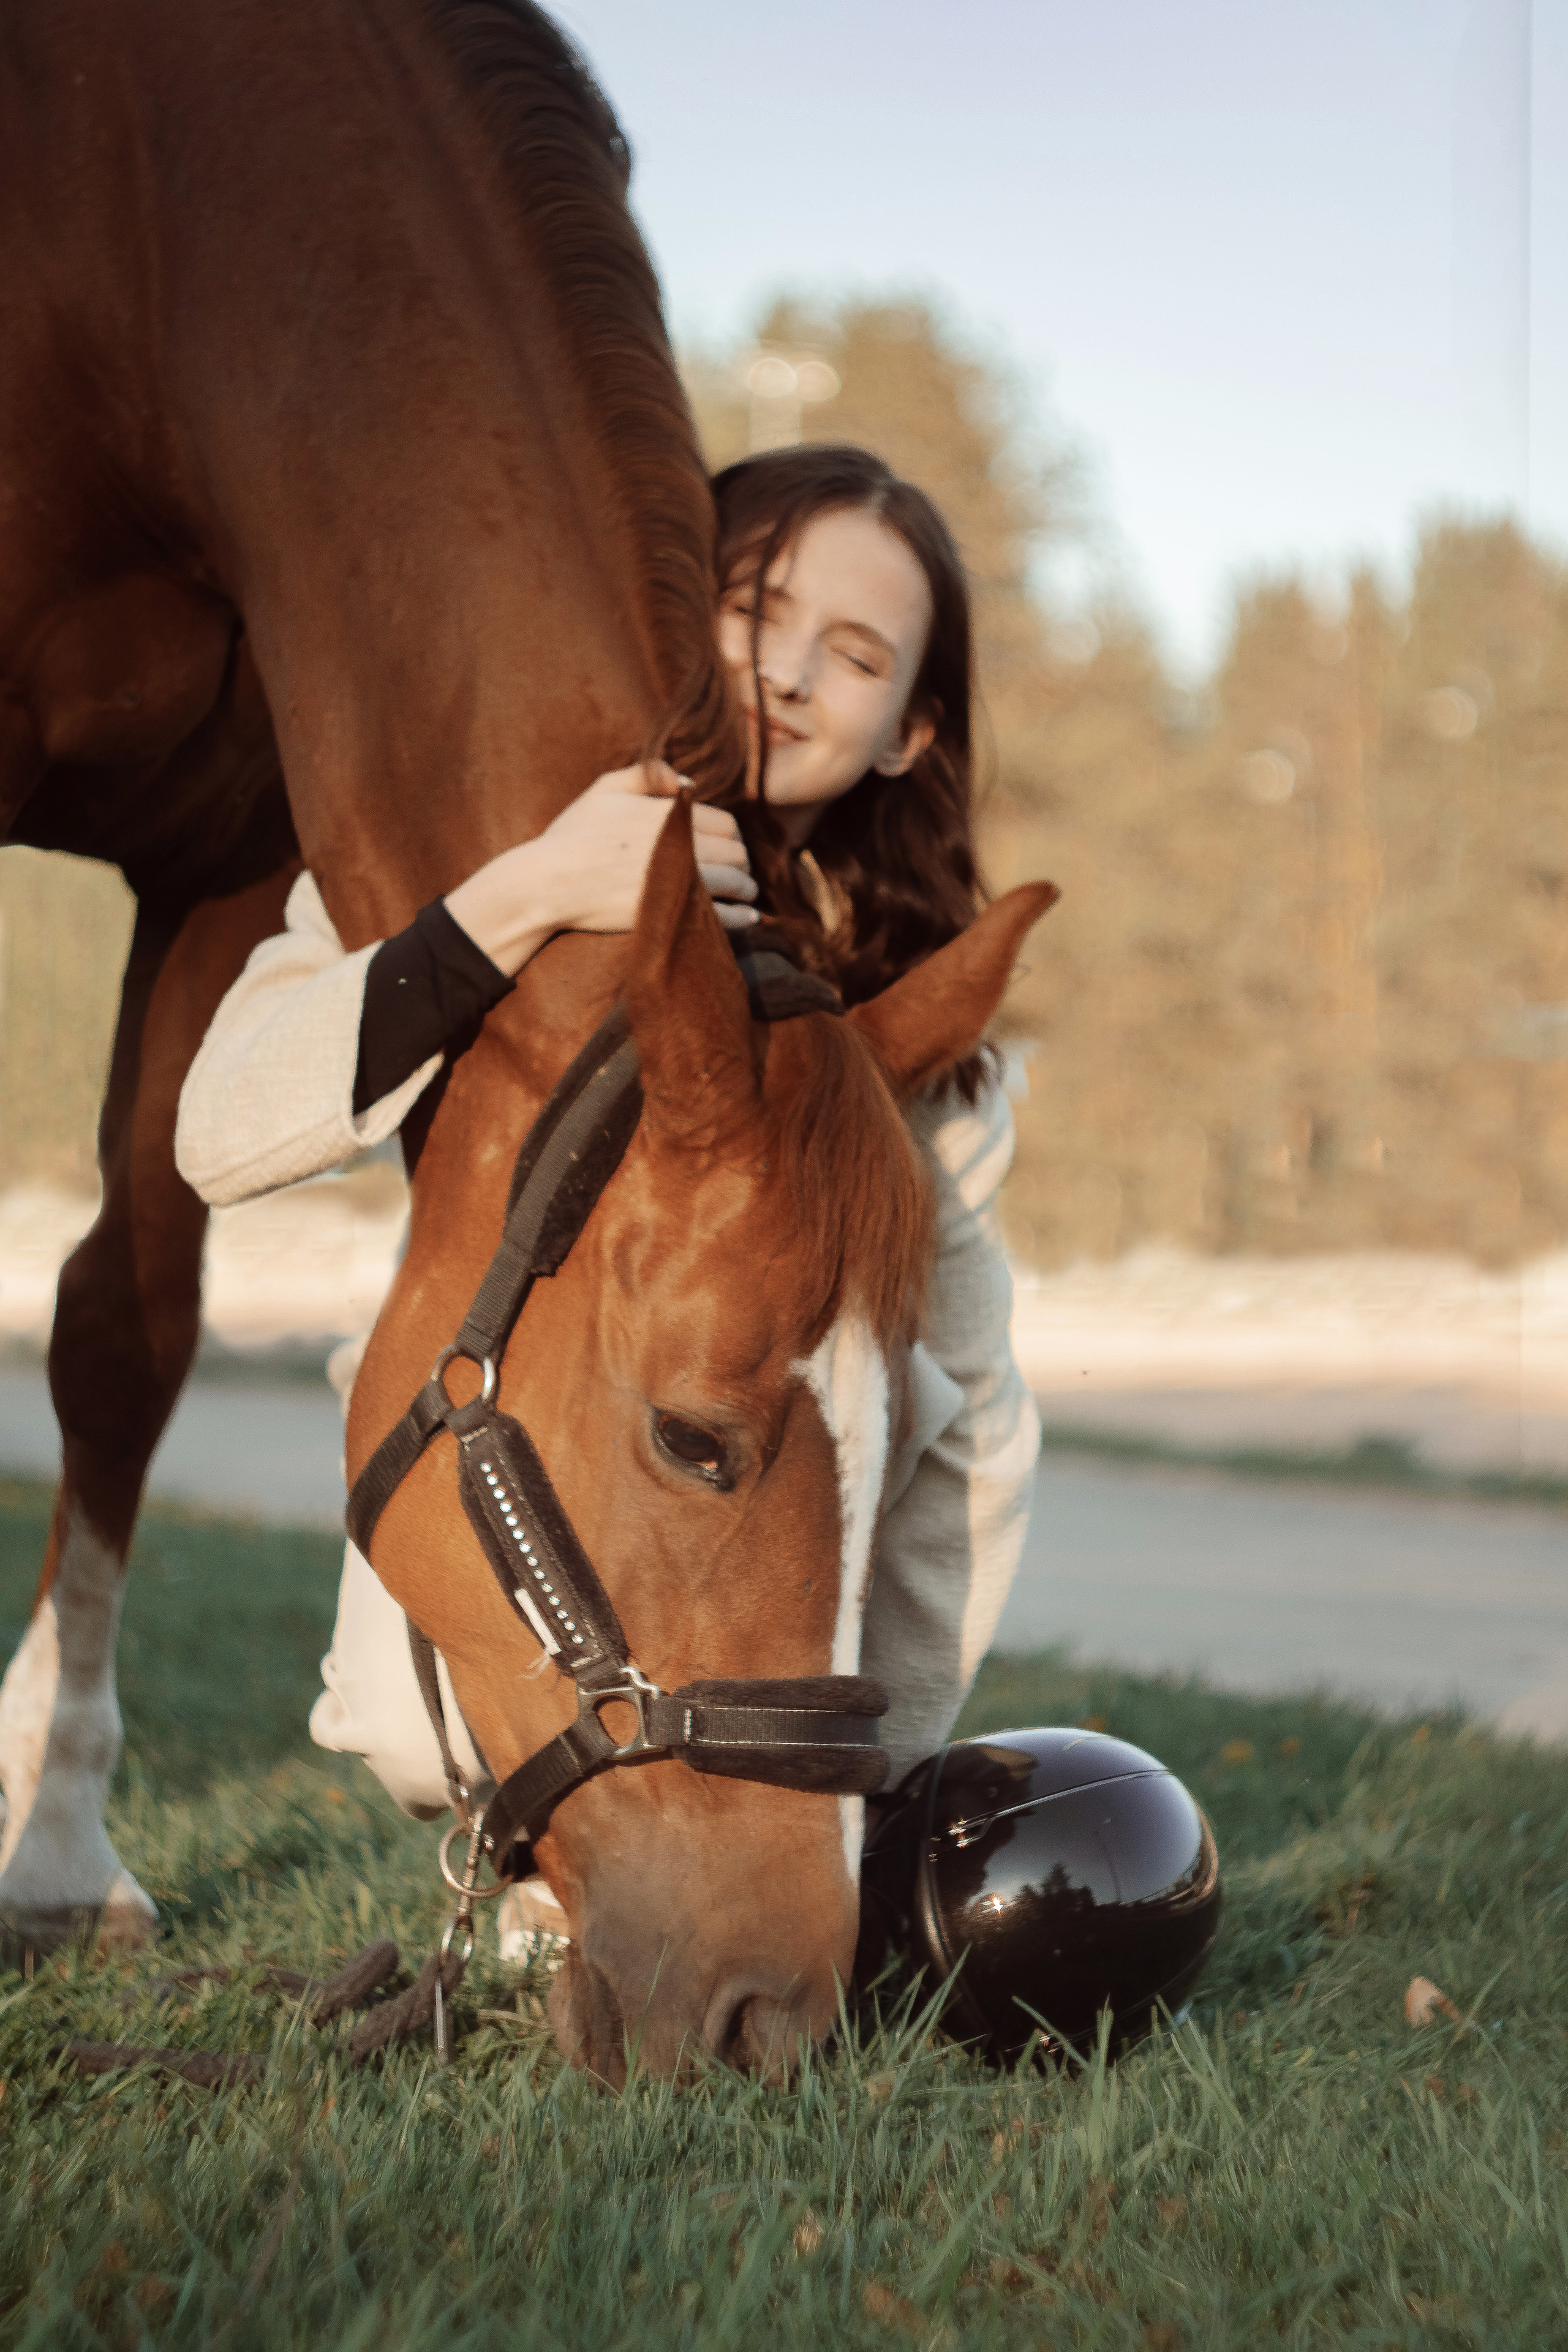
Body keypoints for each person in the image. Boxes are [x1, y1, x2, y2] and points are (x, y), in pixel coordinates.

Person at [175, 444, 1042, 1948]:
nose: (782, 678)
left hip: (766, 1502)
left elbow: (964, 1408)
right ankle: (552, 1832)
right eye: (749, 614)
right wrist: (531, 890)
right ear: (656, 617)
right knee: (406, 1733)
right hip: (519, 1420)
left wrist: (849, 1781)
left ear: (908, 731)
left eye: (851, 658)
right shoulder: (453, 837)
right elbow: (221, 1134)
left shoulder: (920, 1032)